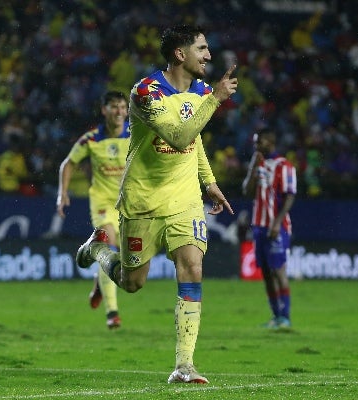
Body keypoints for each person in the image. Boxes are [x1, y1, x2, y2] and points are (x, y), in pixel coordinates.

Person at [75, 24, 237, 384]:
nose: (209, 56)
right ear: (180, 54)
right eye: (202, 49)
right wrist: (217, 100)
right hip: (143, 201)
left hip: (184, 200)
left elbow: (194, 142)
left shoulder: (202, 90)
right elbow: (178, 136)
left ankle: (184, 365)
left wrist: (208, 182)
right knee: (132, 283)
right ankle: (99, 250)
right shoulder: (146, 92)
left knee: (192, 266)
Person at [57, 91, 130, 329]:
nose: (119, 112)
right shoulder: (91, 139)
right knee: (107, 245)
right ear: (104, 110)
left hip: (129, 203)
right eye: (114, 107)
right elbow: (68, 164)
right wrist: (63, 193)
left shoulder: (136, 134)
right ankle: (112, 312)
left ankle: (100, 284)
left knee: (125, 259)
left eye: (122, 107)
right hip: (102, 203)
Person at [242, 128, 296, 330]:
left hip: (278, 226)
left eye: (260, 143)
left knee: (278, 270)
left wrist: (277, 222)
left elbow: (290, 197)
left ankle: (286, 317)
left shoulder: (285, 166)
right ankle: (275, 316)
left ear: (270, 142)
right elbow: (246, 191)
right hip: (259, 226)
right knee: (265, 272)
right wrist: (253, 170)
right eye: (255, 143)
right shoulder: (258, 165)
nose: (257, 147)